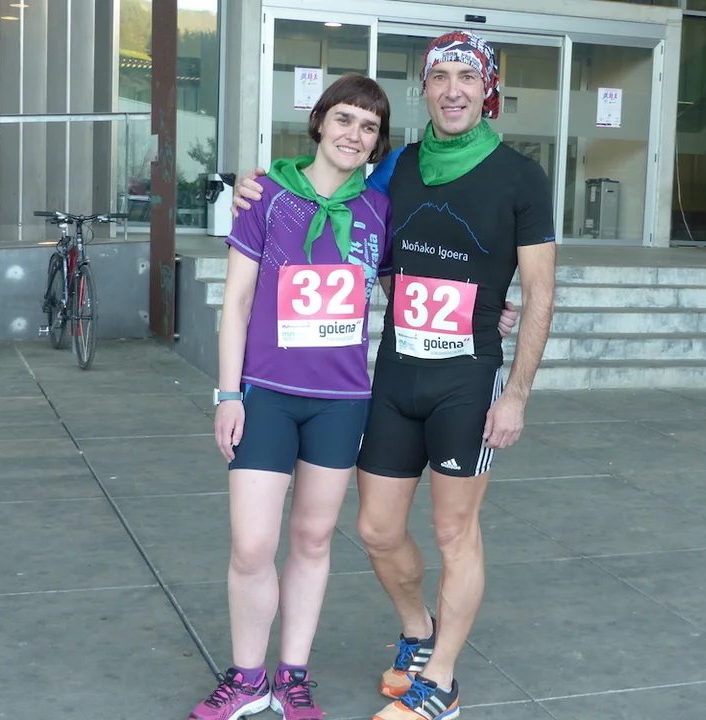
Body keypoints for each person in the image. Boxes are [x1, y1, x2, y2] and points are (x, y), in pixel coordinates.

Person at [232, 30, 555, 720]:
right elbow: (337, 193)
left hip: (468, 378)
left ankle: (441, 681)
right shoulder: (398, 165)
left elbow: (542, 291)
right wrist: (253, 186)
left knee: (454, 532)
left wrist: (518, 394)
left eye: (468, 77)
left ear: (487, 90)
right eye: (440, 77)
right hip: (396, 373)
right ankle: (417, 630)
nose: (453, 90)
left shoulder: (521, 176)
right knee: (376, 529)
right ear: (426, 88)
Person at [187, 73, 394, 720]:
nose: (354, 134)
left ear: (377, 142)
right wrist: (228, 394)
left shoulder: (380, 210)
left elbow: (408, 286)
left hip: (342, 401)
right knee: (252, 545)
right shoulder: (267, 196)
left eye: (368, 126)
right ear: (319, 122)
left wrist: (489, 312)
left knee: (312, 539)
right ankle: (247, 679)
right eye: (344, 119)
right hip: (267, 396)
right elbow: (237, 303)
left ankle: (293, 677)